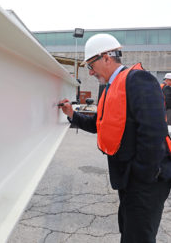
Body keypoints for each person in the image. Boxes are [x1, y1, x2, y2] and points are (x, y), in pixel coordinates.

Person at [58, 34, 171, 243]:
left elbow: (154, 133)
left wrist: (142, 176)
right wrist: (72, 114)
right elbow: (99, 125)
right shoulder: (112, 87)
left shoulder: (139, 80)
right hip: (129, 180)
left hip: (146, 182)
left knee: (139, 238)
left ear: (106, 58)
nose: (90, 72)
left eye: (91, 65)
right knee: (128, 232)